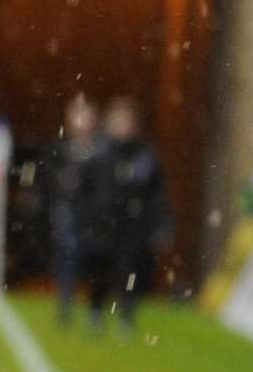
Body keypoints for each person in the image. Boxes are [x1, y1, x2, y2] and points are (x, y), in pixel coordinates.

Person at [50, 93, 117, 329]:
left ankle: (95, 309)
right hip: (68, 214)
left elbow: (105, 187)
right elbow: (50, 181)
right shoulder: (61, 148)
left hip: (94, 217)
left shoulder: (102, 151)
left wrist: (98, 213)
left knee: (98, 262)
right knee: (67, 257)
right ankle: (65, 305)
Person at [103, 97, 171, 327]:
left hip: (134, 224)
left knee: (130, 269)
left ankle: (126, 312)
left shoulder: (144, 153)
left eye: (126, 121)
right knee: (103, 267)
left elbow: (156, 192)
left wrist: (162, 224)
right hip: (106, 221)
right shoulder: (102, 151)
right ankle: (96, 311)